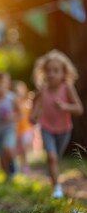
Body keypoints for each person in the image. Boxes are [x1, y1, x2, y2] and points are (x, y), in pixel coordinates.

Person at [30, 50, 83, 198]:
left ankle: (51, 170)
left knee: (56, 157)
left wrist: (66, 106)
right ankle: (57, 188)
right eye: (48, 71)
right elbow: (35, 106)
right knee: (52, 157)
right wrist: (33, 116)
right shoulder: (42, 90)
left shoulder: (67, 88)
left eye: (56, 71)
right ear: (43, 72)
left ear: (64, 73)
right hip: (46, 127)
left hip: (64, 129)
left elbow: (79, 108)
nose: (51, 74)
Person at [12, 80, 33, 173]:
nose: (18, 92)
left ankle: (24, 165)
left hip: (26, 130)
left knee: (24, 148)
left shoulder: (27, 103)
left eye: (20, 90)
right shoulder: (13, 104)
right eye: (16, 91)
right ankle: (17, 165)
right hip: (16, 130)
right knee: (16, 149)